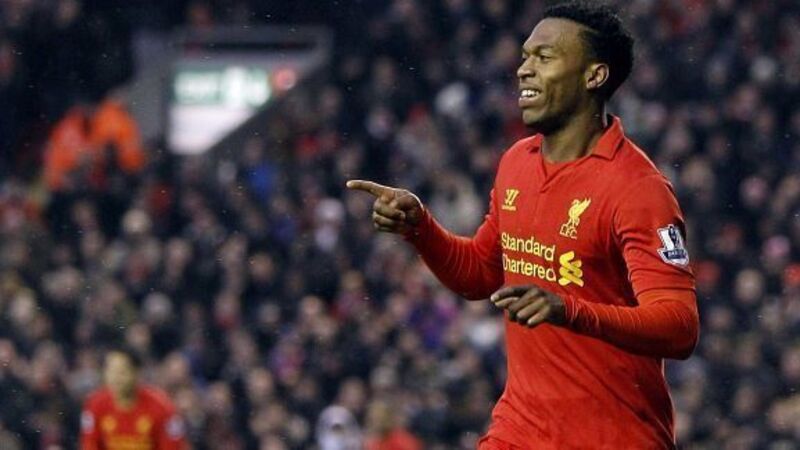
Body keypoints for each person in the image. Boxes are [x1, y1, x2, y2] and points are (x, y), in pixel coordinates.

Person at [347, 1, 699, 449]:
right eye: (525, 56)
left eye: (544, 57)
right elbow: (481, 274)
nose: (523, 70)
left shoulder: (637, 188)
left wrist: (570, 310)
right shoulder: (517, 162)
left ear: (594, 76)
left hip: (611, 436)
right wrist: (420, 228)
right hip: (520, 429)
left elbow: (679, 327)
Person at [80, 347, 188, 450]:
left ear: (137, 373)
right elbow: (89, 444)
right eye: (111, 371)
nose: (115, 377)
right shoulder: (95, 404)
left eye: (122, 372)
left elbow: (172, 447)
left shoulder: (162, 408)